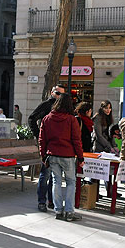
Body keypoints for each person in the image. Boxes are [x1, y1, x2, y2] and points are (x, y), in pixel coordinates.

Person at [39, 93, 84, 221]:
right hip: (68, 155)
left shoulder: (47, 118)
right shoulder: (71, 119)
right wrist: (80, 158)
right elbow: (76, 140)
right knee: (71, 182)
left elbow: (42, 139)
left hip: (52, 154)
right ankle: (69, 211)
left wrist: (43, 156)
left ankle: (58, 210)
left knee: (56, 181)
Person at [28, 84, 65, 212]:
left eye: (62, 94)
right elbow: (31, 118)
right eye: (57, 93)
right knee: (46, 173)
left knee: (55, 175)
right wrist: (39, 134)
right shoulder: (46, 105)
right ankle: (42, 201)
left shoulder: (63, 108)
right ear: (52, 92)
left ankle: (51, 200)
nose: (59, 96)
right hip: (48, 144)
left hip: (59, 145)